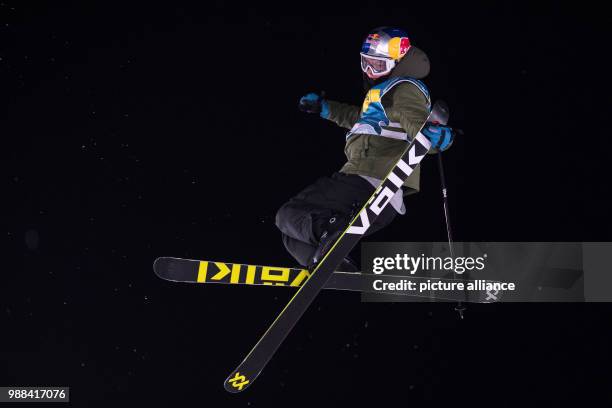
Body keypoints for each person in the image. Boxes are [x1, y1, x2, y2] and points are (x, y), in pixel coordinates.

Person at [275, 27, 455, 271]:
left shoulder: (404, 87)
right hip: (380, 203)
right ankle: (327, 262)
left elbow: (411, 116)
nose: (370, 72)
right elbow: (359, 119)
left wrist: (429, 136)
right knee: (292, 234)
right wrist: (324, 108)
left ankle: (332, 236)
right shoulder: (379, 94)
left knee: (288, 214)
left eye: (378, 66)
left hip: (368, 181)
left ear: (397, 62)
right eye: (366, 64)